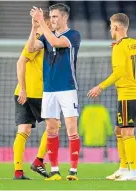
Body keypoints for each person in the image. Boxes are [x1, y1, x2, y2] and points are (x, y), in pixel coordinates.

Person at [87, 13, 136, 181]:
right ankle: (123, 168)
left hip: (128, 93)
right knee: (119, 130)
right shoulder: (134, 44)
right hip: (135, 91)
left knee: (127, 132)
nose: (110, 29)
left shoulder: (119, 46)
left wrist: (100, 86)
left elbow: (119, 72)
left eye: (111, 26)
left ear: (117, 27)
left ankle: (133, 171)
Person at [28, 3, 81, 181]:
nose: (52, 20)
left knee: (72, 129)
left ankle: (73, 171)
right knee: (51, 129)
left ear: (65, 18)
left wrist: (41, 22)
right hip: (49, 90)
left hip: (67, 88)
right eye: (50, 17)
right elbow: (30, 48)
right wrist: (34, 27)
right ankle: (55, 171)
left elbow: (56, 42)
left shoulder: (73, 35)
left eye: (55, 16)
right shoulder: (45, 35)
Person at [13, 11, 55, 180]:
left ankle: (18, 171)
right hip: (35, 92)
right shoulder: (41, 36)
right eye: (51, 19)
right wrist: (23, 89)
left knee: (24, 130)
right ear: (45, 21)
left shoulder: (48, 37)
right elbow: (21, 61)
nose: (53, 22)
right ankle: (38, 160)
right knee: (54, 126)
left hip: (30, 91)